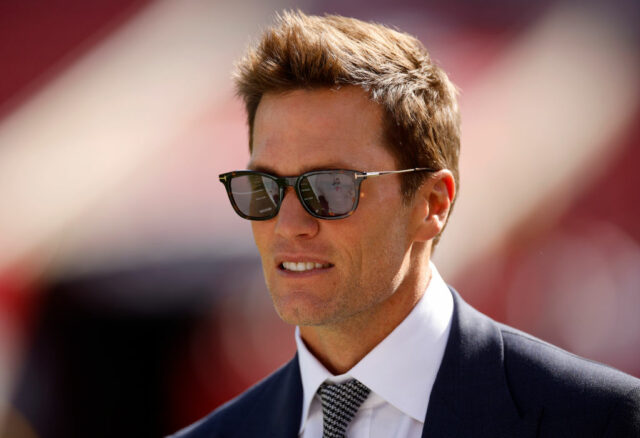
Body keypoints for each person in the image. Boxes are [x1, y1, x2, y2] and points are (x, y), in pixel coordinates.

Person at [171, 11, 640, 438]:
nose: (288, 224)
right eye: (265, 188)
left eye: (331, 187)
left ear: (432, 204)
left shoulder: (598, 420)